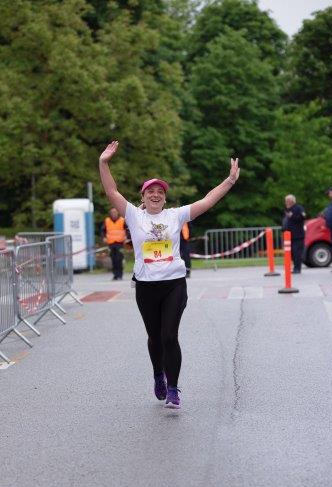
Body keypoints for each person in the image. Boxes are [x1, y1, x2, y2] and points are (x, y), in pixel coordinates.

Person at [99, 140, 240, 409]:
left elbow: (207, 200)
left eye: (160, 192)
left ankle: (173, 389)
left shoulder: (176, 215)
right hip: (146, 286)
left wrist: (229, 181)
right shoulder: (133, 216)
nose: (155, 195)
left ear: (165, 198)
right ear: (142, 197)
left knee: (169, 336)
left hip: (174, 284)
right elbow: (111, 190)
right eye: (150, 191)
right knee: (154, 338)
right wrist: (103, 162)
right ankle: (158, 375)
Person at [282, 194, 306, 274]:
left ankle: (297, 268)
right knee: (291, 253)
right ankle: (295, 267)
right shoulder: (287, 210)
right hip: (289, 235)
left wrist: (292, 216)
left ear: (291, 201)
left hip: (297, 235)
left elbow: (302, 217)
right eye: (286, 201)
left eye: (287, 201)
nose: (286, 202)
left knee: (297, 252)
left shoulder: (298, 208)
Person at [101, 207, 127, 280]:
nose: (114, 213)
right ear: (110, 213)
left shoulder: (122, 220)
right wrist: (104, 237)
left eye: (115, 212)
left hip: (120, 243)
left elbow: (128, 229)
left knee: (119, 259)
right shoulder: (107, 221)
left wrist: (127, 237)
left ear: (117, 212)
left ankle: (120, 275)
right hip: (111, 243)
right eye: (112, 212)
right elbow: (103, 230)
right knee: (113, 259)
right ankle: (115, 275)